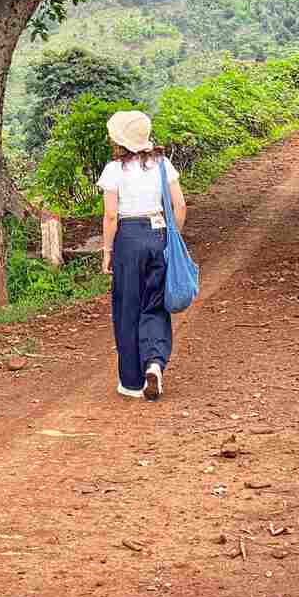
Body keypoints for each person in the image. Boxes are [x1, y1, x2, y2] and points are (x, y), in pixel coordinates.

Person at [99, 109, 187, 400]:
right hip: (158, 234)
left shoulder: (114, 170)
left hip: (128, 238)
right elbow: (180, 206)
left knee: (127, 309)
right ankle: (154, 362)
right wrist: (171, 239)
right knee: (155, 305)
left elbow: (111, 215)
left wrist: (107, 250)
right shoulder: (163, 164)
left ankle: (132, 383)